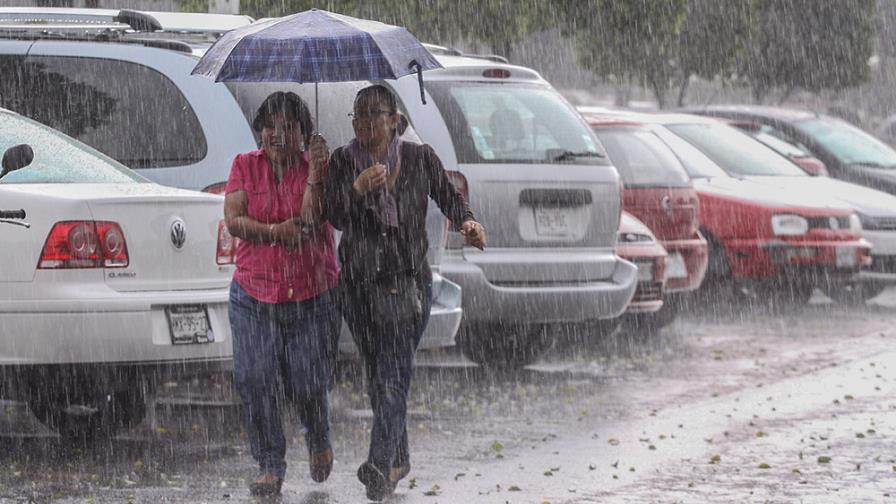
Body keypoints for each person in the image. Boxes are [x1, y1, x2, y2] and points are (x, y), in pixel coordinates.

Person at [319, 84, 485, 501]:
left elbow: (451, 198)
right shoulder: (342, 161)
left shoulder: (418, 157)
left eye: (375, 114)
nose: (365, 123)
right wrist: (357, 189)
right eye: (358, 116)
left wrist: (468, 223)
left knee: (393, 374)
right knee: (378, 377)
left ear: (395, 120)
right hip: (357, 285)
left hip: (406, 282)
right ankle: (399, 459)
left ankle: (378, 463)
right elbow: (335, 217)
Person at [223, 91, 340, 497]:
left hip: (312, 294)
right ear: (259, 131)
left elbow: (311, 219)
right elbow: (235, 221)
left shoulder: (317, 169)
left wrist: (315, 175)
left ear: (304, 133)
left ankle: (319, 435)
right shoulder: (243, 166)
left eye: (289, 126)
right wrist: (274, 233)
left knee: (307, 381)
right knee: (255, 379)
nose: (278, 134)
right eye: (271, 125)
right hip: (254, 294)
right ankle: (270, 463)